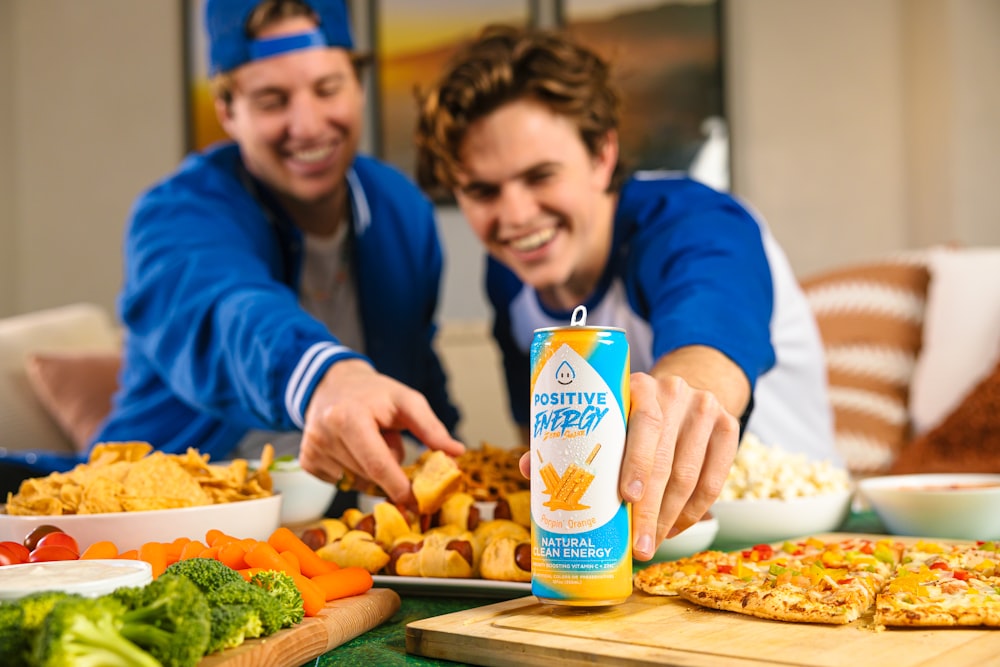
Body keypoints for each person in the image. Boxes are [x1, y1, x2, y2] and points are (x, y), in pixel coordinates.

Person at [0, 0, 463, 506]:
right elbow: (229, 310)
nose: (307, 125)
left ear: (358, 84)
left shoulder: (402, 211)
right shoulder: (175, 215)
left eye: (327, 88)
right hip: (175, 513)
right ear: (228, 113)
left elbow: (417, 371)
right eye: (271, 100)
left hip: (340, 517)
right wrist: (327, 378)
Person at [415, 25, 837, 560]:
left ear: (602, 155)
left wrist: (674, 400)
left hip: (783, 543)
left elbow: (711, 350)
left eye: (541, 176)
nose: (516, 217)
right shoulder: (508, 279)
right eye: (481, 190)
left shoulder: (699, 224)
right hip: (616, 553)